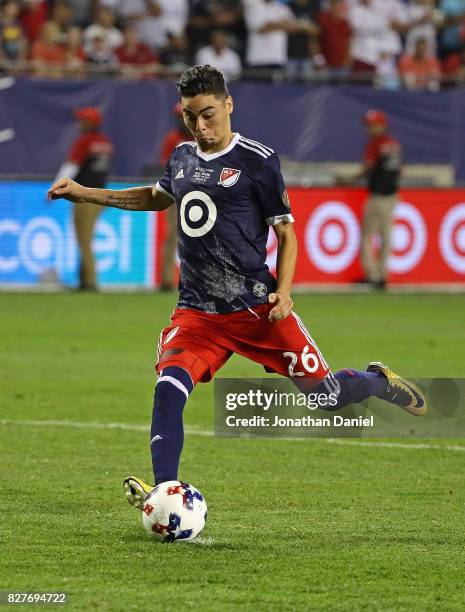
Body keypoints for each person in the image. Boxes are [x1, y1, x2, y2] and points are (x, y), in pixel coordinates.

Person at [47, 66, 426, 517]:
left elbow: (286, 233)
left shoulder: (258, 161)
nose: (200, 126)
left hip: (258, 311)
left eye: (208, 114)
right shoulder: (182, 157)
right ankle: (166, 492)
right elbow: (154, 196)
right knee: (169, 385)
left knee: (326, 396)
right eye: (191, 117)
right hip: (198, 314)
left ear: (229, 105)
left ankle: (377, 382)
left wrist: (283, 292)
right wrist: (85, 193)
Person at [337, 110, 402, 290]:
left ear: (381, 125)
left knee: (367, 236)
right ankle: (382, 275)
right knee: (386, 236)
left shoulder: (376, 143)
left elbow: (368, 167)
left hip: (378, 196)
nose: (369, 128)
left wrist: (348, 180)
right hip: (392, 196)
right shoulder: (393, 144)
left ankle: (372, 275)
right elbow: (399, 171)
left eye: (372, 125)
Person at [53, 107, 114, 291]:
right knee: (86, 239)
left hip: (85, 197)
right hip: (101, 196)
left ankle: (90, 282)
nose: (79, 124)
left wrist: (56, 188)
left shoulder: (84, 141)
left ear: (91, 123)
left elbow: (70, 167)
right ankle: (83, 280)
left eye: (83, 121)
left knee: (84, 241)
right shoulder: (106, 142)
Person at [158, 102, 191, 291]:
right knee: (173, 236)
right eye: (179, 117)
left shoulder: (202, 137)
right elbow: (167, 168)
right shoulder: (173, 139)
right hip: (177, 194)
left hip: (202, 195)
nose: (182, 121)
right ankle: (167, 280)